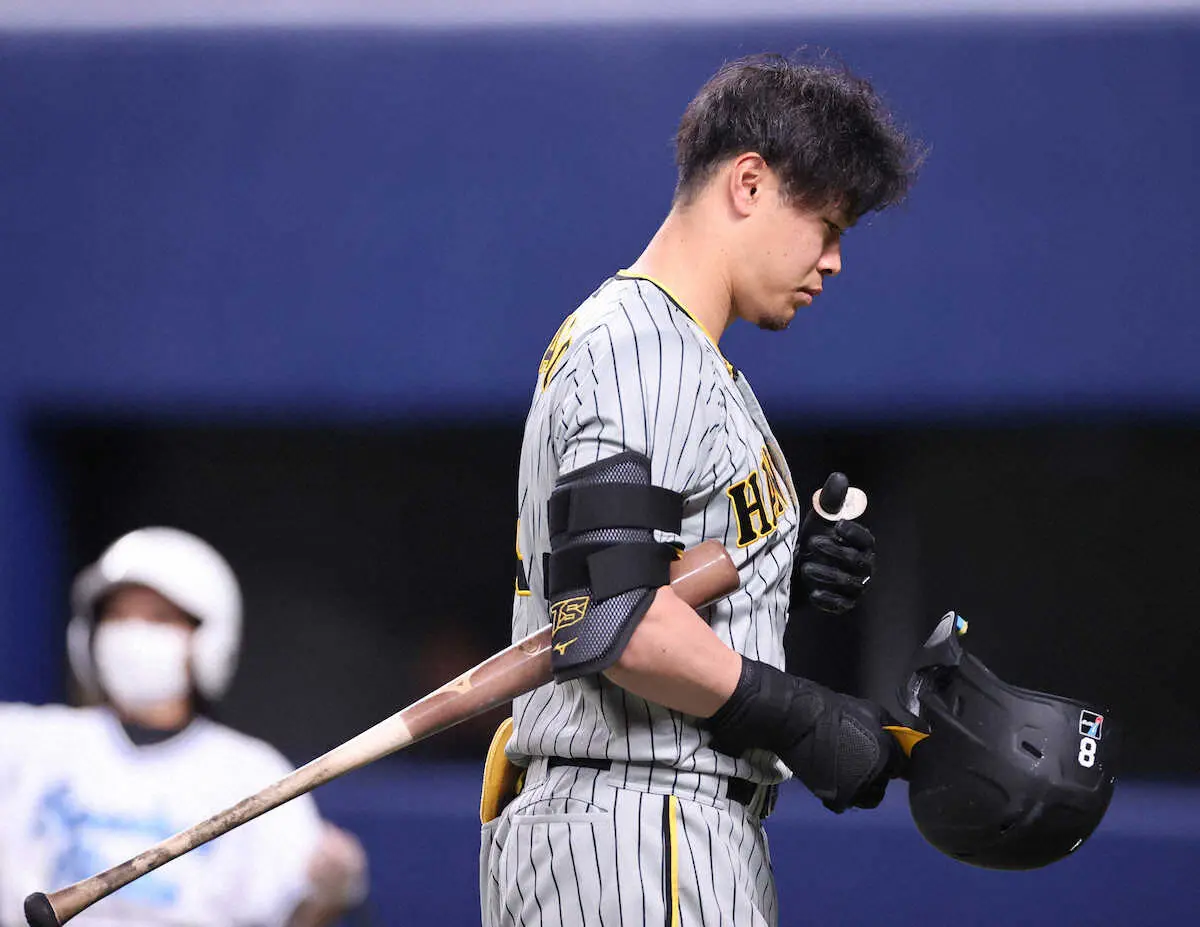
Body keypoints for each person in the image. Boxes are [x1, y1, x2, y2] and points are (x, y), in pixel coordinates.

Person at [480, 53, 921, 925]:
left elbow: (638, 581)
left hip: (652, 830)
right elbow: (613, 618)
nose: (835, 261)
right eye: (827, 224)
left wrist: (771, 575)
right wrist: (803, 716)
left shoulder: (673, 353)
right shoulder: (642, 348)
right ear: (749, 183)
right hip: (640, 831)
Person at [0, 527, 369, 927]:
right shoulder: (28, 742)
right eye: (117, 616)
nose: (133, 634)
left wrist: (328, 894)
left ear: (209, 640)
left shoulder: (252, 772)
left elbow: (295, 917)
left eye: (159, 618)